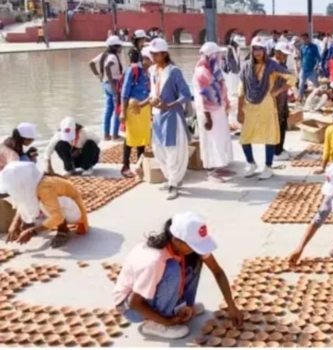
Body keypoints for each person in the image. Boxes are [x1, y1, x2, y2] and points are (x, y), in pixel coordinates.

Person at [113, 211, 244, 339]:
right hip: (132, 309)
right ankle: (155, 323)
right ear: (176, 239)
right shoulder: (154, 260)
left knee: (195, 260)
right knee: (172, 269)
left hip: (145, 298)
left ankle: (181, 307)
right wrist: (168, 322)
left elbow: (217, 271)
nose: (195, 249)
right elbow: (134, 303)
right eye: (193, 245)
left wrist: (231, 306)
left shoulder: (187, 247)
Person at [238, 36, 297, 180]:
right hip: (250, 106)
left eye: (260, 49)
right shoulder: (246, 66)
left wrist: (278, 91)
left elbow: (292, 79)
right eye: (255, 49)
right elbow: (241, 89)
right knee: (245, 137)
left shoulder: (272, 66)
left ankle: (268, 166)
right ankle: (251, 163)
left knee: (268, 137)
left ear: (265, 50)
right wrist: (239, 110)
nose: (257, 52)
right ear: (251, 50)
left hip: (267, 106)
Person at [2, 162, 89, 248]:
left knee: (44, 205)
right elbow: (22, 203)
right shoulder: (31, 185)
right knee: (32, 207)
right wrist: (15, 224)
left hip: (73, 211)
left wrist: (32, 231)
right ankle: (41, 224)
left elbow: (57, 216)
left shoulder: (44, 187)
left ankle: (63, 229)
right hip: (54, 209)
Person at [148, 38, 193, 200]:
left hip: (172, 117)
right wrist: (141, 105)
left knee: (172, 150)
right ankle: (170, 178)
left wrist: (170, 105)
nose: (153, 57)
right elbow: (152, 93)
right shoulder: (152, 70)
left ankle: (174, 184)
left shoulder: (174, 71)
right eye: (151, 54)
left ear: (164, 54)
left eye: (156, 54)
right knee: (157, 149)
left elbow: (186, 94)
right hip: (157, 116)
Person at [192, 42, 234, 183]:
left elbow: (221, 88)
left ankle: (219, 166)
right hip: (208, 112)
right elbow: (204, 97)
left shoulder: (213, 71)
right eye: (217, 55)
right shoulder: (202, 73)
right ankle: (210, 171)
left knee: (220, 139)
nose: (220, 58)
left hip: (217, 110)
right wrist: (208, 118)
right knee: (210, 140)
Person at [120, 47, 154, 178]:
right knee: (130, 137)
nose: (151, 62)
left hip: (145, 108)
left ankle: (140, 164)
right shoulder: (134, 70)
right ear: (144, 58)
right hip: (133, 107)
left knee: (142, 138)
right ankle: (125, 165)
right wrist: (123, 112)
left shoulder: (150, 72)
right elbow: (125, 92)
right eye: (149, 59)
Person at [89, 35, 124, 141]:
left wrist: (98, 75)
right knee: (117, 109)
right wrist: (114, 85)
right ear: (114, 47)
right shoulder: (112, 56)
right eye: (119, 46)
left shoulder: (103, 55)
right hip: (113, 83)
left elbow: (91, 63)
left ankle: (106, 134)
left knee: (108, 110)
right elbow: (107, 66)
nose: (121, 48)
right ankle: (115, 134)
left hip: (105, 84)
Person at [272, 42, 293, 161]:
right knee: (277, 126)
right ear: (277, 53)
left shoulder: (282, 66)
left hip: (282, 101)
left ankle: (280, 147)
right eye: (284, 54)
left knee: (282, 125)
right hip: (275, 101)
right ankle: (276, 152)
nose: (285, 57)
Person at [222, 38, 242, 135]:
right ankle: (233, 124)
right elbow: (230, 67)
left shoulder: (232, 52)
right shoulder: (230, 51)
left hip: (234, 80)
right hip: (232, 80)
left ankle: (235, 124)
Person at [298, 33, 321, 101]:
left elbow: (318, 57)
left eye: (305, 39)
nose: (304, 40)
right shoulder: (302, 47)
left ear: (308, 38)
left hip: (311, 70)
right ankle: (300, 98)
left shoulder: (314, 47)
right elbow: (302, 57)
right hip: (303, 69)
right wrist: (300, 66)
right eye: (303, 39)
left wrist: (317, 65)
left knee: (316, 84)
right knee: (301, 85)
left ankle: (321, 96)